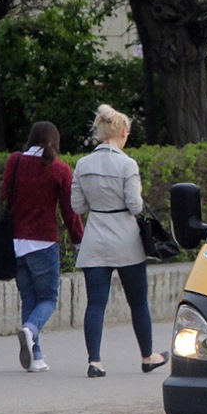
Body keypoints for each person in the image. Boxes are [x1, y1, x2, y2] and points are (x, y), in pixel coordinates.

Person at [70, 105, 168, 378]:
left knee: (96, 303)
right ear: (122, 132)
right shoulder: (127, 164)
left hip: (96, 237)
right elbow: (135, 207)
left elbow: (77, 206)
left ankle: (95, 361)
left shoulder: (83, 164)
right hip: (125, 239)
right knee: (138, 302)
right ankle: (148, 356)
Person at [4, 122, 84, 373]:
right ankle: (31, 330)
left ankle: (35, 355)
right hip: (44, 242)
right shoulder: (59, 169)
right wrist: (78, 240)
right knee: (48, 298)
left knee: (29, 298)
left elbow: (5, 193)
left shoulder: (15, 161)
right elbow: (69, 211)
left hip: (16, 242)